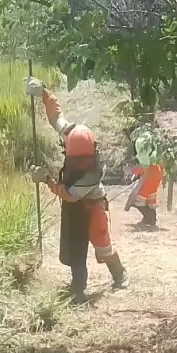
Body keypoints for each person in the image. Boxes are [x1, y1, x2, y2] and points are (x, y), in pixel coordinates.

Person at [26, 77, 128, 302]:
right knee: (75, 247)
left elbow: (70, 195)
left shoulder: (91, 175)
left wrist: (46, 179)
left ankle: (120, 275)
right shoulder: (71, 134)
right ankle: (78, 286)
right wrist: (44, 92)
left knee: (103, 247)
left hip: (92, 208)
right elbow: (56, 116)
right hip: (75, 207)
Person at [124, 127, 164, 227]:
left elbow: (140, 169)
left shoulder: (146, 163)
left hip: (148, 183)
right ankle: (151, 219)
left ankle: (149, 218)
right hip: (156, 180)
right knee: (150, 202)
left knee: (137, 201)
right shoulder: (156, 161)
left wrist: (131, 171)